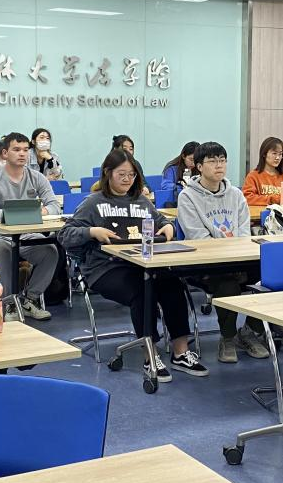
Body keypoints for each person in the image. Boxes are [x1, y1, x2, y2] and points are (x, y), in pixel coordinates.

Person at [61, 149, 206, 381]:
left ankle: (180, 352)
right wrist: (91, 231)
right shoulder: (93, 202)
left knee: (172, 285)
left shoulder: (141, 201)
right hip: (105, 268)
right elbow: (65, 234)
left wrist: (168, 226)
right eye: (122, 174)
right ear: (108, 173)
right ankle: (150, 355)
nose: (127, 179)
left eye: (132, 175)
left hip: (142, 264)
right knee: (142, 291)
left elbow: (162, 220)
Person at [176, 141, 269, 364]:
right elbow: (198, 238)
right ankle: (227, 338)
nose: (219, 165)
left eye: (222, 160)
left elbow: (244, 233)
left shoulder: (236, 195)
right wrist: (228, 254)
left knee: (270, 277)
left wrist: (236, 255)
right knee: (228, 284)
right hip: (204, 263)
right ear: (199, 166)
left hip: (238, 258)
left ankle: (249, 332)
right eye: (212, 161)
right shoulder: (187, 197)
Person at [0, 131, 60, 320]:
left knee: (50, 250)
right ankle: (8, 304)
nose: (22, 154)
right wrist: (15, 215)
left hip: (26, 233)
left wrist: (43, 212)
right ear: (5, 153)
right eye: (16, 149)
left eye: (25, 150)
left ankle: (30, 299)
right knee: (3, 251)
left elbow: (54, 206)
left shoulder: (37, 177)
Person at [242, 136, 283, 206]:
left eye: (280, 154)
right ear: (264, 154)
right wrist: (272, 199)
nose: (278, 158)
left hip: (282, 212)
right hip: (261, 212)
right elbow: (247, 198)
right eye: (274, 153)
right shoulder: (253, 176)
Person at [161, 141, 199, 206]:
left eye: (196, 160)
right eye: (191, 159)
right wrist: (182, 186)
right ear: (183, 156)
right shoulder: (172, 168)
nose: (193, 164)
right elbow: (165, 185)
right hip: (177, 201)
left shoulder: (200, 167)